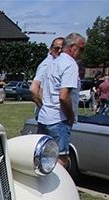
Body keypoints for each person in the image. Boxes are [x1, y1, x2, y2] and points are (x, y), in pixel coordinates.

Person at [37, 32, 86, 168]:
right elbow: (64, 96)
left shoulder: (52, 63)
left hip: (45, 117)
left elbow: (40, 91)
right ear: (72, 47)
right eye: (81, 49)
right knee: (61, 159)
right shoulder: (70, 65)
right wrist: (70, 116)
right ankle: (56, 188)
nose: (82, 53)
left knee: (43, 157)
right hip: (59, 119)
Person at [30, 37, 64, 116]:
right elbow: (33, 89)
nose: (59, 51)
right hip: (47, 115)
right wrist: (44, 108)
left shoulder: (56, 63)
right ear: (51, 49)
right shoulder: (47, 64)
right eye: (56, 48)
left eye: (62, 49)